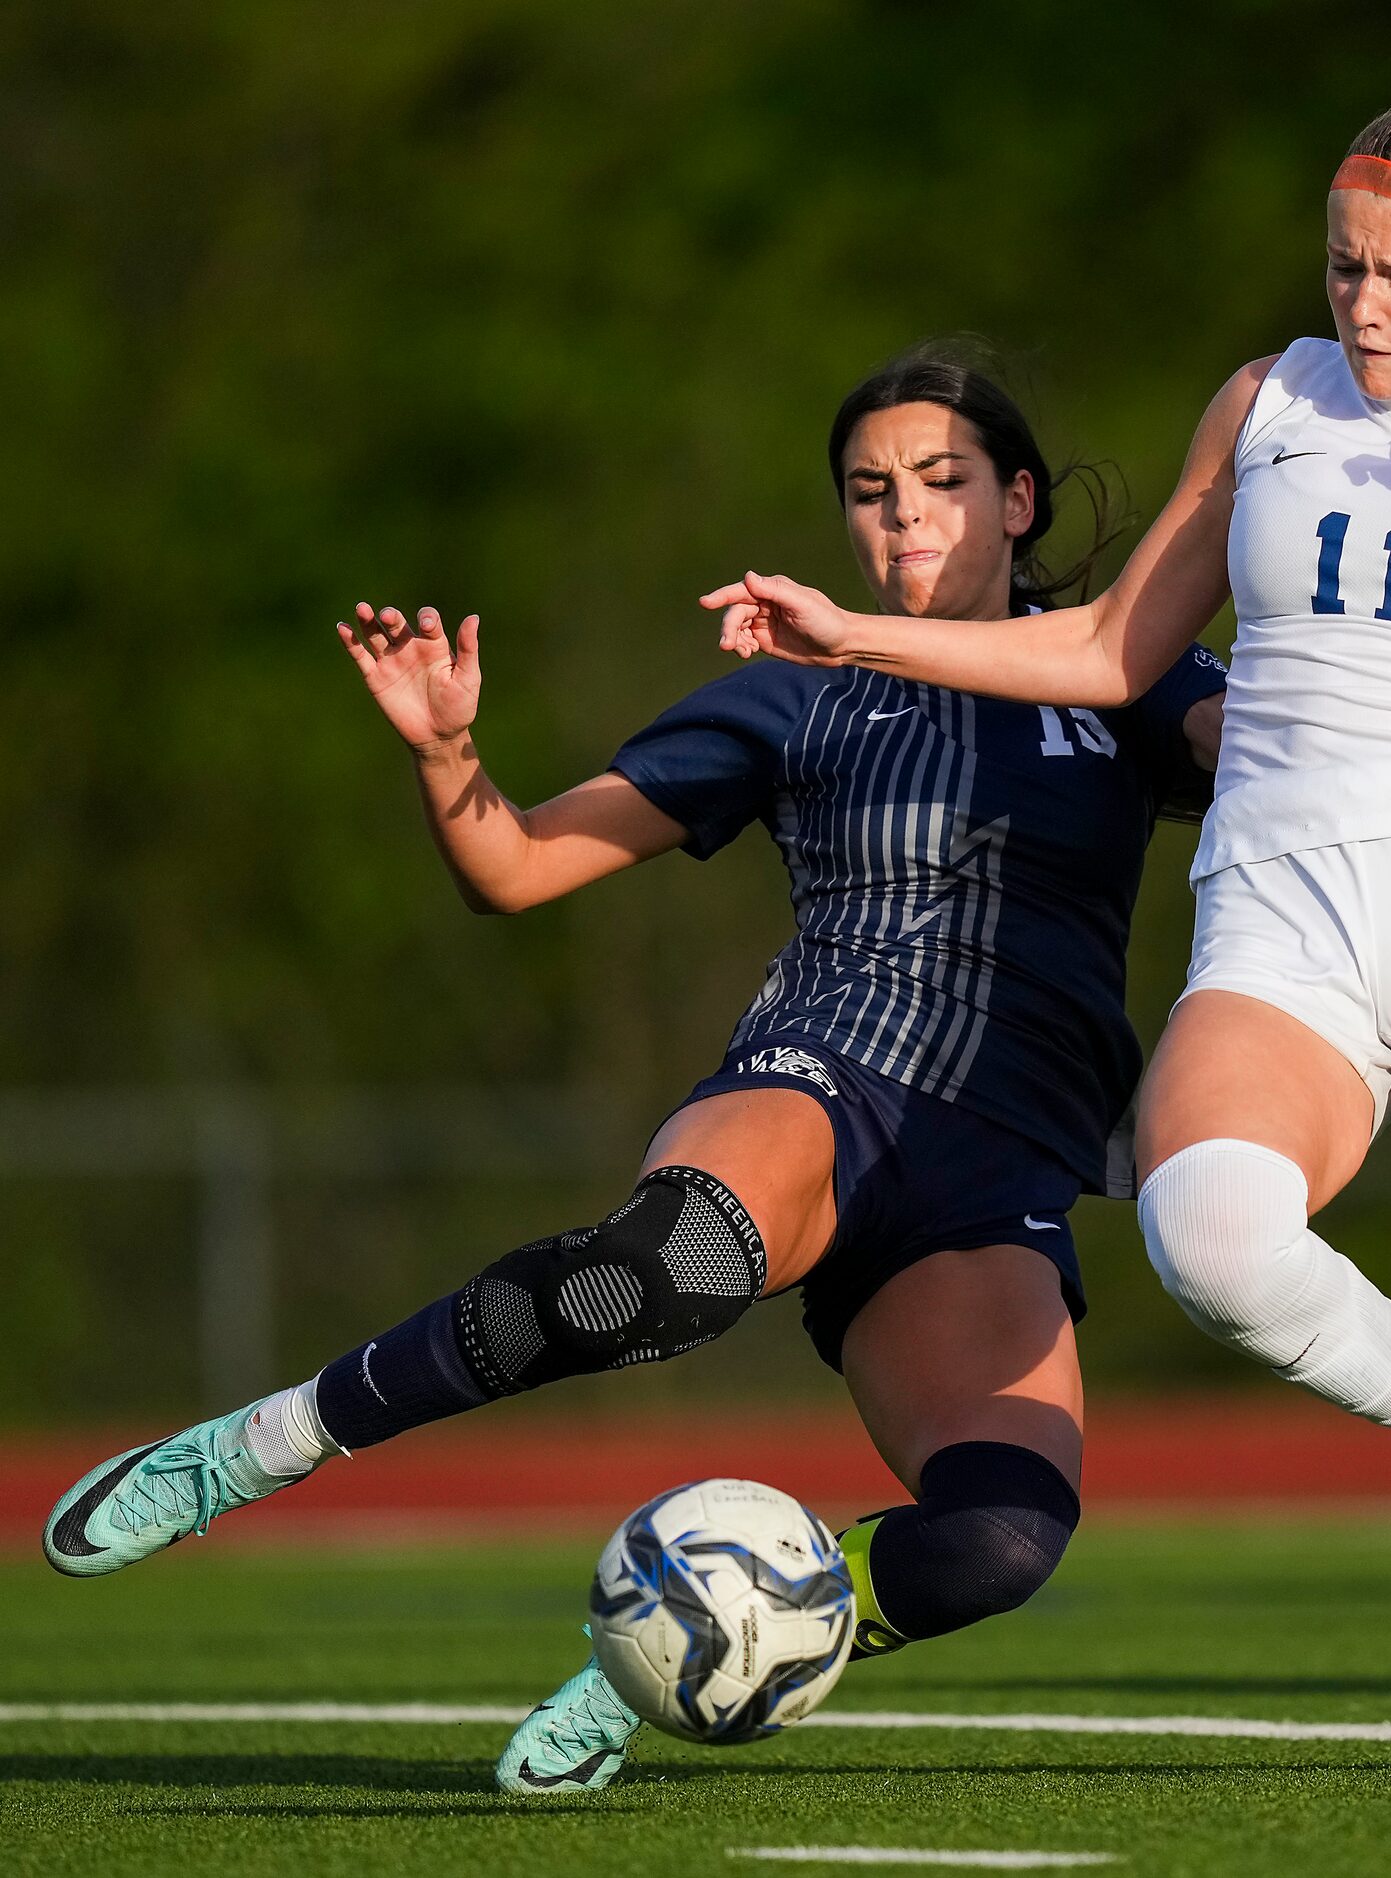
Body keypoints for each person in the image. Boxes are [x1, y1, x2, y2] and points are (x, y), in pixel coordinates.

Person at [695, 77, 1391, 1770]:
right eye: (1345, 267)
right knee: (1206, 1230)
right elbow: (1106, 656)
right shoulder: (1270, 399)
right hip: (1283, 911)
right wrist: (854, 633)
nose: (1361, 306)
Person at [41, 347, 1229, 1788]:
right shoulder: (800, 687)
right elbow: (519, 866)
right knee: (657, 1274)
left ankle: (671, 1654)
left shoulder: (1132, 676)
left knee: (996, 1542)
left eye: (941, 481)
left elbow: (1295, 764)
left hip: (1002, 1162)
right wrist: (446, 757)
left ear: (1018, 498)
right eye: (869, 491)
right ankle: (264, 1442)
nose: (903, 517)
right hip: (828, 1081)